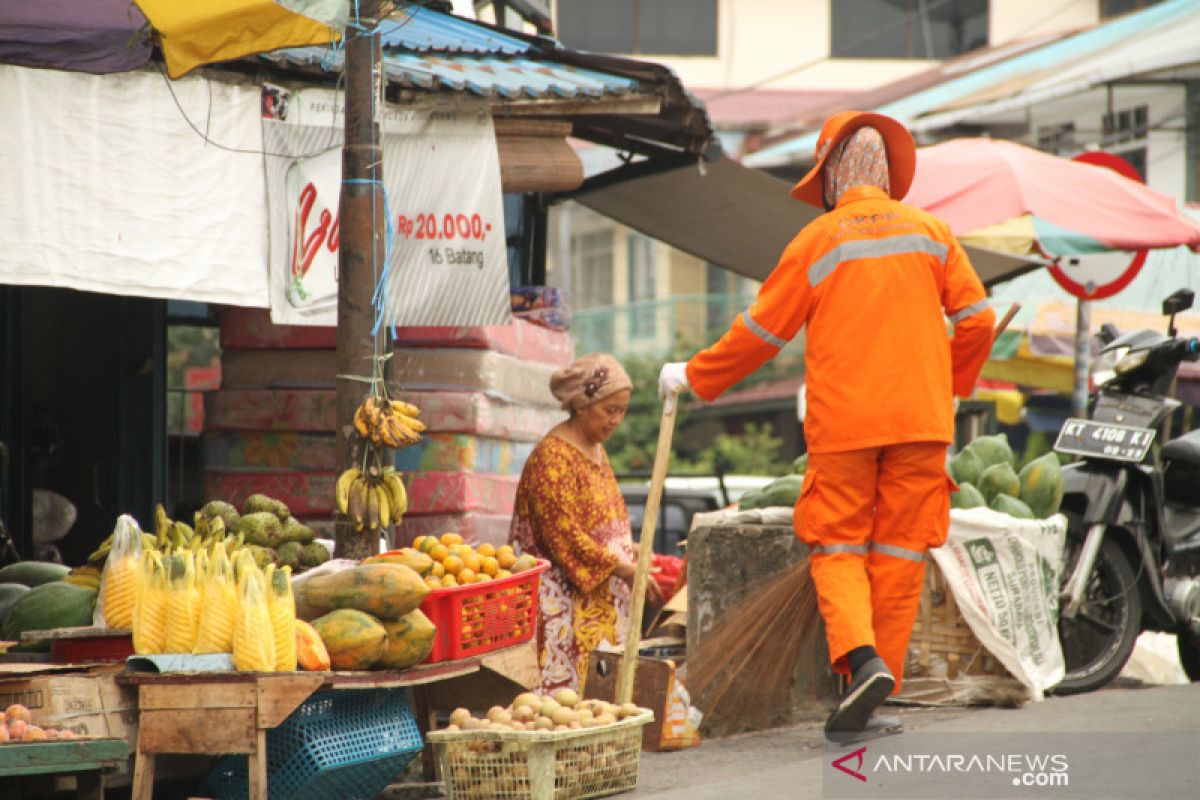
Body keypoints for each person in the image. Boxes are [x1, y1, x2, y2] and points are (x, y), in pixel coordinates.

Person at [658, 111, 994, 741]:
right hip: (922, 425)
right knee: (898, 555)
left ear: (835, 174)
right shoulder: (933, 233)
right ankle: (873, 691)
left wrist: (695, 375)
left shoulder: (818, 241)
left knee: (838, 545)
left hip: (845, 426)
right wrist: (945, 385)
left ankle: (860, 662)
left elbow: (762, 332)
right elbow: (977, 321)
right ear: (888, 173)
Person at [510, 353, 663, 693]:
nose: (617, 420)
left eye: (622, 411)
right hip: (561, 607)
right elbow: (562, 536)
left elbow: (601, 522)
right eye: (610, 410)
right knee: (561, 701)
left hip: (600, 601)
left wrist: (630, 549)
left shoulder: (595, 448)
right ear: (580, 405)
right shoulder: (552, 457)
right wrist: (620, 567)